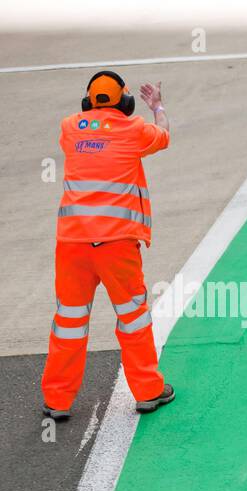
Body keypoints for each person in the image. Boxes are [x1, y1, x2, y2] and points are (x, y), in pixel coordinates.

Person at [41, 70, 174, 421]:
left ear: (87, 102)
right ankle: (148, 391)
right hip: (116, 245)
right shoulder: (134, 130)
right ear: (126, 102)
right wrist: (157, 106)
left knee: (68, 321)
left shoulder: (70, 127)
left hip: (72, 245)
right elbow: (163, 136)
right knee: (132, 318)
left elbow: (87, 135)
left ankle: (57, 400)